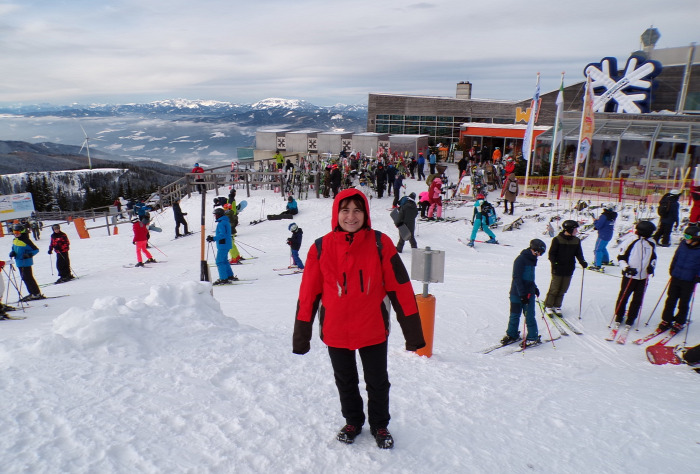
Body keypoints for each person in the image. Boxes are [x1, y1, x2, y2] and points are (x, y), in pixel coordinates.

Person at [292, 188, 425, 449]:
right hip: (336, 330)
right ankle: (353, 420)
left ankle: (379, 424)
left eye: (357, 210)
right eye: (345, 210)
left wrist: (413, 333)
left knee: (377, 381)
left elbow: (400, 288)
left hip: (372, 328)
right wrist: (301, 336)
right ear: (336, 214)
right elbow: (308, 294)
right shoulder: (320, 247)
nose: (351, 216)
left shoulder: (380, 243)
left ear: (365, 213)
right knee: (345, 380)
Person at [609, 221, 657, 339]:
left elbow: (653, 257)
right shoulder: (631, 240)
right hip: (630, 275)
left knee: (638, 298)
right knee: (624, 296)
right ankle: (619, 315)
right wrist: (626, 268)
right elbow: (621, 257)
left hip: (643, 276)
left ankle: (631, 318)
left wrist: (651, 266)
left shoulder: (651, 242)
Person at [501, 239, 546, 347]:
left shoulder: (532, 259)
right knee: (514, 315)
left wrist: (534, 287)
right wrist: (522, 294)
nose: (540, 255)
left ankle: (532, 337)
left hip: (528, 294)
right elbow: (517, 278)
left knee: (529, 315)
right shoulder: (520, 260)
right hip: (517, 293)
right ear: (534, 250)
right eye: (540, 252)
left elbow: (529, 277)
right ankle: (512, 334)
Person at [657, 225, 700, 332]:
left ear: (695, 238)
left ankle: (680, 321)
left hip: (689, 280)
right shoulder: (682, 245)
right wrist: (672, 268)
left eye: (688, 236)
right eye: (685, 235)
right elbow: (676, 257)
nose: (686, 239)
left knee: (683, 302)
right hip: (676, 276)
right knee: (670, 299)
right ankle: (666, 319)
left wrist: (698, 277)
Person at [543, 220, 587, 316]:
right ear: (569, 229)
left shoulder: (576, 240)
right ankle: (549, 305)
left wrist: (582, 262)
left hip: (569, 268)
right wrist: (554, 263)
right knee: (555, 288)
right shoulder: (557, 240)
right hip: (558, 268)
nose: (576, 231)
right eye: (575, 229)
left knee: (563, 288)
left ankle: (557, 305)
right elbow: (551, 254)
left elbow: (578, 253)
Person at [9, 223, 43, 301]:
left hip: (26, 262)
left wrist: (29, 254)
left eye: (17, 233)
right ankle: (32, 293)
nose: (16, 234)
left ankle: (36, 293)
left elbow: (36, 250)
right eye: (14, 233)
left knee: (29, 278)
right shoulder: (15, 240)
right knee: (24, 278)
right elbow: (13, 249)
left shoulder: (26, 241)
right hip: (19, 262)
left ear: (22, 232)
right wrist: (12, 252)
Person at [206, 208, 237, 285]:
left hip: (223, 245)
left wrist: (213, 238)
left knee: (219, 261)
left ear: (219, 215)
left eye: (215, 215)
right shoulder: (225, 222)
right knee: (224, 261)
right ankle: (229, 276)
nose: (214, 216)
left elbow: (222, 234)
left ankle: (223, 278)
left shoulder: (221, 223)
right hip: (226, 244)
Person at [589, 204, 617, 271]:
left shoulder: (604, 216)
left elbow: (598, 225)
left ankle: (597, 265)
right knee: (603, 248)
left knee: (597, 249)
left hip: (602, 235)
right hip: (609, 234)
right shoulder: (613, 215)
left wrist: (595, 221)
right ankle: (605, 260)